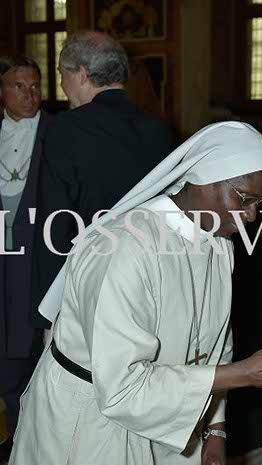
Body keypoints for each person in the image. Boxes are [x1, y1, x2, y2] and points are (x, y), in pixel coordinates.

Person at [10, 122, 262, 465]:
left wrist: (215, 429)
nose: (252, 216)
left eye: (260, 203)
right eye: (245, 199)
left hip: (176, 414)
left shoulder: (219, 243)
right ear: (205, 178)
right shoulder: (121, 249)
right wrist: (245, 374)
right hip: (90, 424)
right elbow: (121, 389)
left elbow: (215, 345)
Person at [31, 30, 174, 329]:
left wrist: (48, 312)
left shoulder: (65, 129)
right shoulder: (159, 130)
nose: (62, 85)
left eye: (62, 74)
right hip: (151, 280)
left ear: (82, 75)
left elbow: (55, 222)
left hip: (89, 284)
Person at [0, 55, 53, 456]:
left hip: (36, 256)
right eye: (20, 86)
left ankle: (27, 442)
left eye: (35, 86)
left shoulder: (57, 132)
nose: (30, 94)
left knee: (28, 350)